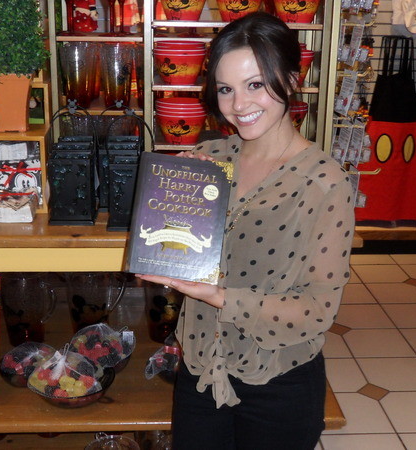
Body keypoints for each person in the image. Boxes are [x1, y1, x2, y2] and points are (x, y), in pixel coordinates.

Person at [136, 12, 355, 450]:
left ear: (291, 80)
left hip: (279, 382)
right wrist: (173, 204)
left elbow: (317, 310)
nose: (238, 105)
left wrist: (219, 296)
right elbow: (184, 251)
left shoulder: (325, 183)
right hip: (200, 369)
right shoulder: (210, 158)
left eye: (255, 84)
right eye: (226, 89)